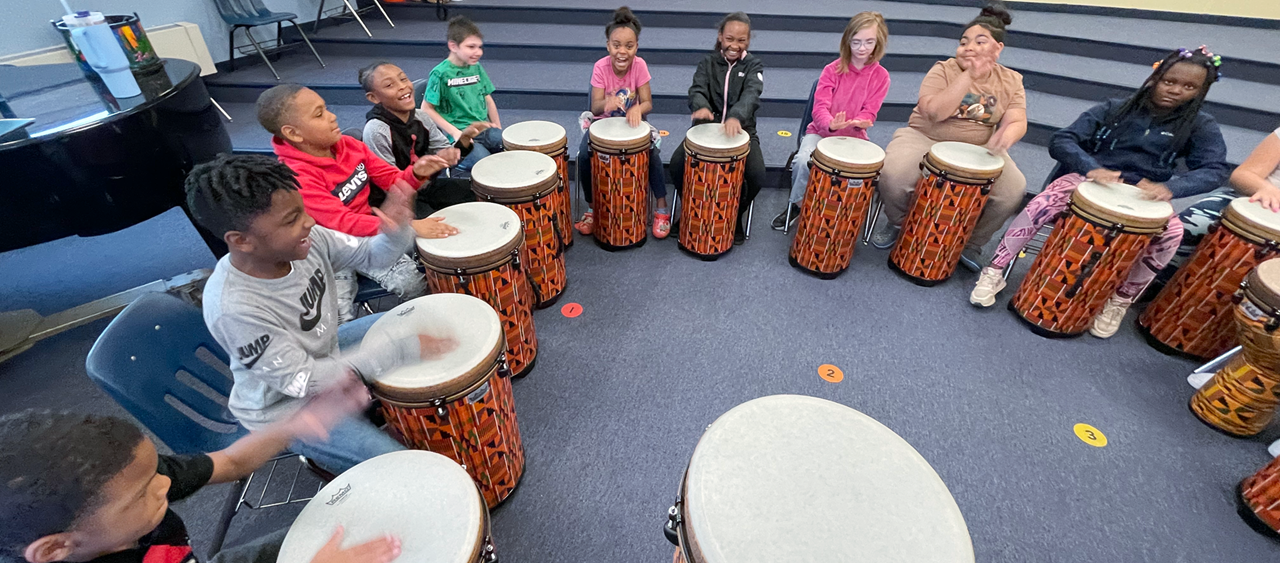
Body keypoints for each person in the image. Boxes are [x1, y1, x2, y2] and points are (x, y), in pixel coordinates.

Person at [186, 153, 451, 473]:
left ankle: (377, 406)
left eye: (303, 211)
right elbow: (303, 381)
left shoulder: (308, 239)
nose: (309, 221)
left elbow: (372, 257)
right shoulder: (233, 308)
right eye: (291, 220)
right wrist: (398, 350)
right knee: (401, 467)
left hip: (325, 350)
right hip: (287, 410)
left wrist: (394, 230)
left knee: (413, 316)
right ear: (241, 241)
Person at [969, 46, 1228, 339]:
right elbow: (1063, 140)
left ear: (1201, 91)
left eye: (1189, 87)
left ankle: (1120, 300)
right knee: (1042, 203)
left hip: (1143, 197)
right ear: (1155, 77)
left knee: (1172, 234)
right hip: (1089, 181)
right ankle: (995, 269)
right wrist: (1090, 168)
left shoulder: (1200, 125)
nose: (1176, 90)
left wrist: (1171, 187)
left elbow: (1214, 169)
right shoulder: (1115, 108)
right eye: (1170, 81)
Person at [0, 393, 401, 563]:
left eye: (156, 470)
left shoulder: (126, 481)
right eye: (143, 494)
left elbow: (229, 462)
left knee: (355, 525)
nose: (164, 485)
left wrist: (296, 423)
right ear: (54, 549)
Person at [258, 84, 458, 323]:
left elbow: (391, 180)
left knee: (416, 278)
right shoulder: (296, 178)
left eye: (326, 108)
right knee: (337, 319)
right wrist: (409, 228)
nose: (332, 117)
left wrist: (416, 173)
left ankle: (434, 321)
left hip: (366, 232)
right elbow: (341, 223)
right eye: (319, 114)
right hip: (329, 250)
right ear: (293, 133)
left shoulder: (349, 146)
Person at [872, 1, 1027, 269]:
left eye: (980, 42)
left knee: (1013, 190)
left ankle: (972, 242)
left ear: (998, 48)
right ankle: (899, 222)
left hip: (979, 146)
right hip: (926, 137)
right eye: (964, 41)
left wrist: (1006, 134)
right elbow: (935, 112)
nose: (970, 47)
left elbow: (1017, 119)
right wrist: (968, 76)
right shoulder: (943, 69)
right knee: (894, 175)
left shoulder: (1011, 80)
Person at [770, 12, 891, 231]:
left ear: (878, 42)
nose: (862, 48)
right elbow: (819, 110)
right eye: (856, 42)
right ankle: (798, 205)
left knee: (865, 172)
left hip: (854, 137)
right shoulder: (831, 70)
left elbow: (870, 112)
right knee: (801, 161)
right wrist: (831, 124)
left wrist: (863, 121)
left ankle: (843, 215)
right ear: (847, 41)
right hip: (820, 132)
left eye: (869, 42)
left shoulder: (881, 76)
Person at [667, 12, 766, 245]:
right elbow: (696, 90)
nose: (735, 45)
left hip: (743, 132)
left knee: (756, 175)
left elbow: (752, 95)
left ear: (748, 41)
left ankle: (734, 215)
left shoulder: (754, 65)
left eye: (741, 40)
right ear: (720, 36)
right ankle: (690, 210)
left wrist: (735, 117)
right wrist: (701, 106)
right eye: (730, 38)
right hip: (705, 129)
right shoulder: (707, 63)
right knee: (677, 164)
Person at [574, 6, 672, 239]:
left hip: (632, 125)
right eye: (616, 45)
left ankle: (661, 206)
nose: (622, 52)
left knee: (652, 154)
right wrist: (606, 103)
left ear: (636, 47)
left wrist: (637, 108)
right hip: (602, 124)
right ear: (608, 45)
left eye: (629, 46)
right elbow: (595, 106)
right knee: (584, 154)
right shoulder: (600, 67)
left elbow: (648, 102)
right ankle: (592, 207)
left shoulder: (640, 66)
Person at [1155, 122, 1280, 286]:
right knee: (1189, 225)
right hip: (1253, 200)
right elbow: (1243, 175)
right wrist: (1266, 189)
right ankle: (1152, 286)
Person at [360, 60, 492, 193]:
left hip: (427, 186)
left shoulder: (421, 117)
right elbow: (391, 186)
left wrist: (464, 141)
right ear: (373, 98)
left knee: (482, 192)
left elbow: (446, 155)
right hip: (399, 199)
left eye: (403, 79)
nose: (402, 86)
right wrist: (419, 174)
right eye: (389, 85)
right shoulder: (376, 131)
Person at [421, 16, 505, 163]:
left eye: (479, 47)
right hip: (459, 134)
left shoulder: (476, 67)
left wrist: (497, 126)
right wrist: (455, 133)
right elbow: (426, 109)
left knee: (511, 146)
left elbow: (487, 98)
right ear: (453, 46)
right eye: (471, 47)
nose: (478, 52)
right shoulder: (440, 73)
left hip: (482, 129)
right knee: (485, 163)